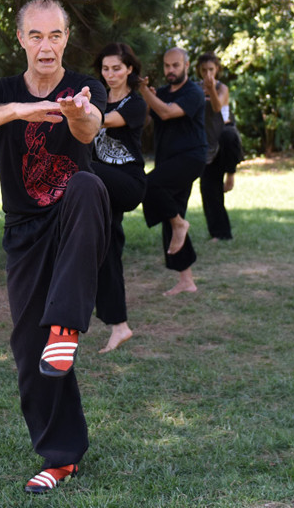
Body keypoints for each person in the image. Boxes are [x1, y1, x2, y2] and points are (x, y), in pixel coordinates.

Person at [0, 0, 110, 495]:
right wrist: (20, 110)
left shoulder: (84, 87)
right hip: (23, 229)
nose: (46, 46)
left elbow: (91, 128)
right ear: (21, 38)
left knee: (87, 184)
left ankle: (66, 324)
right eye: (36, 35)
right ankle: (61, 457)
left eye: (55, 35)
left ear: (66, 39)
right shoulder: (2, 91)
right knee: (29, 350)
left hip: (72, 221)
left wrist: (76, 113)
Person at [91, 42, 148, 353]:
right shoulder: (96, 98)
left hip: (128, 183)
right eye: (105, 69)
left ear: (129, 70)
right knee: (106, 250)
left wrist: (74, 113)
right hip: (103, 187)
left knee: (81, 166)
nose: (110, 74)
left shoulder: (134, 104)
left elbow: (102, 121)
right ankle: (119, 326)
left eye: (116, 68)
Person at [140, 48, 207, 295]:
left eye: (175, 65)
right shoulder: (161, 92)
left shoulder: (193, 92)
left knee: (149, 185)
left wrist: (145, 92)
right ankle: (186, 280)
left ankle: (180, 224)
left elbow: (167, 112)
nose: (170, 70)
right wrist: (148, 99)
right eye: (167, 66)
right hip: (168, 160)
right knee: (171, 213)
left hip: (191, 157)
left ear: (186, 65)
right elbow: (146, 121)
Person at [196, 52, 237, 241]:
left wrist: (211, 88)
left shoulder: (222, 88)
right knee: (208, 189)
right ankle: (218, 233)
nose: (208, 74)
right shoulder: (194, 88)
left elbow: (217, 107)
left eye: (211, 70)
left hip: (223, 140)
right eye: (204, 70)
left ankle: (231, 177)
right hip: (205, 142)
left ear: (217, 69)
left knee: (215, 186)